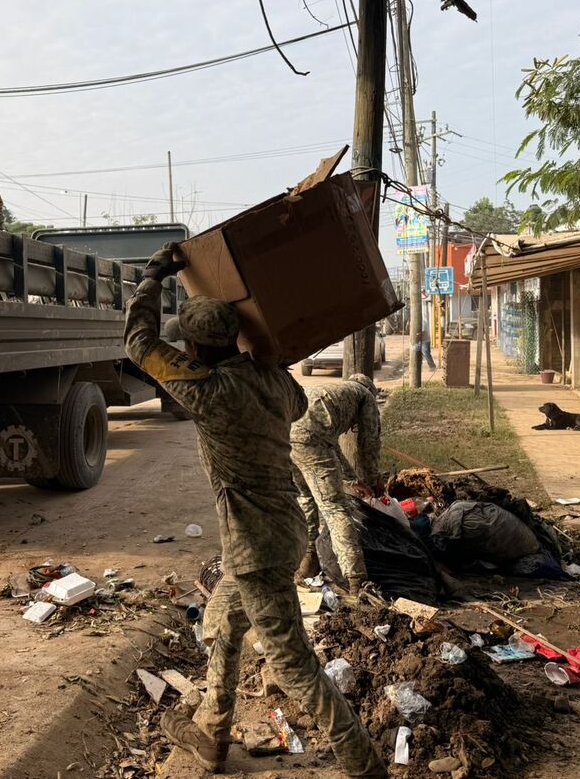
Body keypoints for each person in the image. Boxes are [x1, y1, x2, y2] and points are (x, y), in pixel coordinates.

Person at [125, 245, 385, 777]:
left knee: (294, 665)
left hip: (255, 549)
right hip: (283, 532)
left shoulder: (206, 391)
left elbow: (139, 344)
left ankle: (364, 763)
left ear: (195, 347)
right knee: (224, 628)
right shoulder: (273, 381)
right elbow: (298, 401)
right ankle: (211, 734)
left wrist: (153, 277)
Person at [291, 374, 382, 592]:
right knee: (334, 507)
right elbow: (369, 443)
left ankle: (307, 565)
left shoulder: (335, 392)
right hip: (311, 439)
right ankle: (356, 579)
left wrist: (353, 480)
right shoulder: (366, 396)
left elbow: (332, 448)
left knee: (305, 499)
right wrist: (373, 481)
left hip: (285, 435)